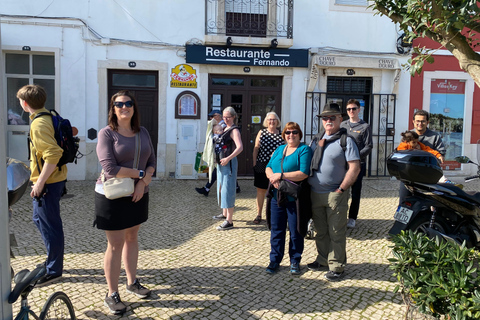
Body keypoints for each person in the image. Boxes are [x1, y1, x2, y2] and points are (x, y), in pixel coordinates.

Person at [95, 90, 156, 315]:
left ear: (134, 107)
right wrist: (140, 175)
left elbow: (152, 160)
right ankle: (111, 293)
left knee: (132, 237)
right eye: (119, 104)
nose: (124, 107)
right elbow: (110, 168)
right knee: (115, 244)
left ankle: (132, 282)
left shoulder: (143, 132)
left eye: (128, 103)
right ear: (113, 108)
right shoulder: (107, 134)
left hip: (138, 192)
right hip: (113, 195)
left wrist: (143, 181)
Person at [17, 84, 67, 287]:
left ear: (25, 103)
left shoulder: (38, 124)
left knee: (50, 225)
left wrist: (40, 182)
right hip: (54, 179)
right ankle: (52, 259)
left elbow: (53, 154)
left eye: (20, 100)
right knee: (40, 219)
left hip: (48, 183)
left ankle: (54, 270)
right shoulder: (49, 116)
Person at [307, 103, 360, 281]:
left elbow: (354, 168)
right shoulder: (317, 139)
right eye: (325, 118)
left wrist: (341, 189)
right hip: (315, 192)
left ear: (340, 119)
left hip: (335, 193)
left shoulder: (347, 140)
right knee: (320, 231)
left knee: (336, 231)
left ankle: (337, 265)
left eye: (332, 118)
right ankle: (323, 259)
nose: (328, 121)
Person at [264, 122, 312, 275]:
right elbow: (268, 166)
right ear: (284, 135)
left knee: (296, 230)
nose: (291, 135)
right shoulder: (280, 149)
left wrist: (282, 175)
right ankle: (275, 259)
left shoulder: (304, 150)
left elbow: (304, 172)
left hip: (294, 198)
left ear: (300, 134)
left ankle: (295, 260)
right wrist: (273, 177)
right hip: (277, 196)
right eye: (288, 132)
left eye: (294, 132)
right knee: (276, 230)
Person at [399, 110, 446, 204]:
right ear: (413, 121)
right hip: (408, 176)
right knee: (404, 202)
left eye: (423, 121)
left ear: (427, 122)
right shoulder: (408, 135)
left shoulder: (434, 136)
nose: (420, 123)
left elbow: (441, 154)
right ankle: (401, 218)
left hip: (426, 176)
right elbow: (400, 152)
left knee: (426, 203)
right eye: (417, 121)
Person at [340, 99, 372, 229]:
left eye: (353, 109)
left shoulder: (365, 126)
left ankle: (352, 217)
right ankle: (341, 215)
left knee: (356, 192)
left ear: (359, 110)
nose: (351, 111)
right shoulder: (342, 125)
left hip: (358, 165)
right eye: (349, 109)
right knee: (341, 189)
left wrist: (355, 158)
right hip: (342, 165)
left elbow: (368, 146)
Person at [212, 106, 243, 230]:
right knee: (221, 187)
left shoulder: (234, 130)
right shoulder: (225, 127)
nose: (225, 119)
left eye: (228, 117)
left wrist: (228, 158)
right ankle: (224, 213)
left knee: (228, 189)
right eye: (224, 117)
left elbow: (240, 147)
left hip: (228, 162)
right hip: (221, 162)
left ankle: (229, 221)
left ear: (234, 117)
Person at [196, 110, 240, 196]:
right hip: (221, 153)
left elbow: (237, 146)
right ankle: (236, 187)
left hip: (224, 154)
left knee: (220, 171)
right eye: (210, 117)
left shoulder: (224, 126)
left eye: (212, 116)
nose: (210, 118)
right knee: (223, 171)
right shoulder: (217, 126)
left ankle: (207, 188)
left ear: (218, 116)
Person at [252, 112, 284, 224]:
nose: (272, 121)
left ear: (277, 121)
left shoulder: (282, 133)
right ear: (266, 121)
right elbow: (256, 148)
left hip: (276, 167)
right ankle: (259, 214)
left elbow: (285, 149)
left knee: (275, 189)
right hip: (261, 164)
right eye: (270, 119)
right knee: (261, 190)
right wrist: (255, 163)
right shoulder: (262, 132)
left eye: (274, 119)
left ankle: (273, 214)